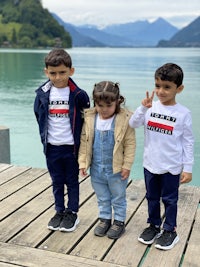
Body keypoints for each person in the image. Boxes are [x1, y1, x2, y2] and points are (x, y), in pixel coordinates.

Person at [129, 63, 194, 250]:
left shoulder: (183, 114)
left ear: (178, 89)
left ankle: (170, 230)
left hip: (171, 166)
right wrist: (142, 108)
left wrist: (187, 168)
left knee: (170, 199)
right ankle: (153, 225)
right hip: (150, 164)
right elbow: (133, 124)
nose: (161, 91)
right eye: (158, 86)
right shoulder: (150, 107)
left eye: (167, 87)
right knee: (151, 197)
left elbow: (188, 142)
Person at [34, 48, 90, 232]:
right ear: (46, 72)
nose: (58, 77)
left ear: (71, 71)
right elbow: (39, 115)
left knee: (72, 181)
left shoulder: (78, 95)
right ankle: (59, 211)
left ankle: (72, 213)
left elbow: (86, 121)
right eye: (53, 73)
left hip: (71, 148)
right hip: (52, 148)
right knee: (57, 181)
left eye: (62, 73)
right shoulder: (42, 94)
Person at [78, 81, 136, 239]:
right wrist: (83, 163)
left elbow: (130, 144)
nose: (104, 109)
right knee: (102, 196)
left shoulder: (124, 119)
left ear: (117, 102)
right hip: (96, 168)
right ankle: (104, 219)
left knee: (118, 196)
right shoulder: (90, 118)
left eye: (108, 106)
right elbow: (85, 141)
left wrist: (127, 166)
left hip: (116, 169)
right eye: (99, 105)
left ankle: (119, 222)